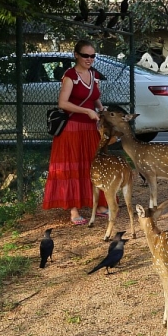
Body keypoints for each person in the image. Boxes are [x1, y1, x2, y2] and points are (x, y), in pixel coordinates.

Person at [42, 40, 109, 224]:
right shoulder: (70, 75)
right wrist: (87, 111)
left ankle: (100, 205)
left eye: (93, 56)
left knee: (93, 165)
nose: (89, 59)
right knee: (72, 166)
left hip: (90, 129)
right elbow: (62, 103)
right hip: (72, 128)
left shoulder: (94, 74)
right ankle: (74, 210)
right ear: (76, 55)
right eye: (86, 55)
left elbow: (95, 98)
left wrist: (101, 111)